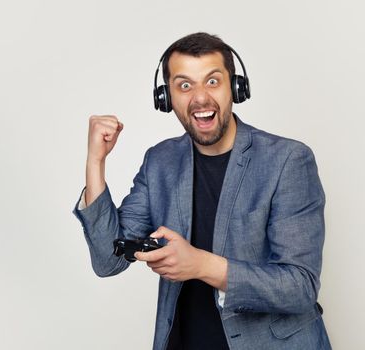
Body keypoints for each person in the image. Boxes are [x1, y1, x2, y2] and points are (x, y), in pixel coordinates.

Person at [73, 32, 332, 350]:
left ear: (236, 88)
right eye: (184, 85)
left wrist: (200, 264)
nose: (199, 98)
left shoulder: (288, 160)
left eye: (212, 81)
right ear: (165, 98)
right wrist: (95, 162)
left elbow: (300, 287)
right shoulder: (160, 161)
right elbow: (107, 260)